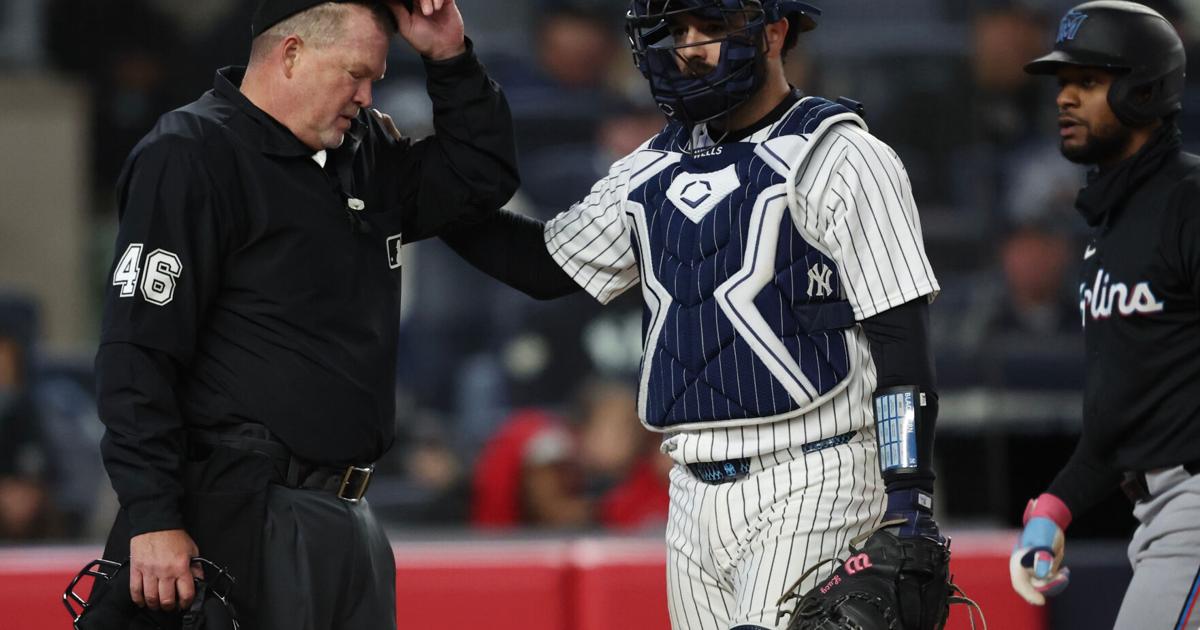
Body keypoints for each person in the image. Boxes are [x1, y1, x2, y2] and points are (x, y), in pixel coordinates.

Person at [443, 1, 947, 627]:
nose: (690, 46)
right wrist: (429, 202)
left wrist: (909, 496)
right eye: (677, 30)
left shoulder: (844, 156)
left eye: (713, 27)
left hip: (815, 471)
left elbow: (901, 341)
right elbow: (545, 267)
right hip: (689, 491)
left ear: (774, 31)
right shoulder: (651, 166)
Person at [93, 0, 517, 627]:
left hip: (351, 517)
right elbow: (137, 353)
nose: (368, 95)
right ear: (291, 55)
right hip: (242, 513)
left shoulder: (362, 151)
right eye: (355, 74)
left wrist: (449, 55)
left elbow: (480, 178)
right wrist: (154, 516)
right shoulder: (192, 152)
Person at [1008, 3, 1200, 629]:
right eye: (1063, 84)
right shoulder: (1107, 228)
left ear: (1144, 90)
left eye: (1087, 83)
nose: (1064, 98)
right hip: (1157, 513)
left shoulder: (1188, 201)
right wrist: (1055, 508)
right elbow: (1122, 412)